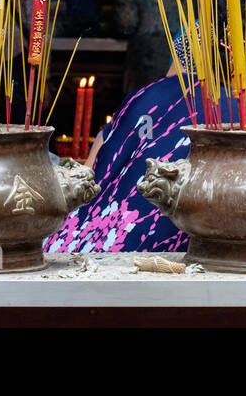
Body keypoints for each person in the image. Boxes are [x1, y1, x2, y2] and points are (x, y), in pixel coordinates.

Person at [45, 33, 235, 254]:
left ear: (175, 54)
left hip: (85, 243)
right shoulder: (243, 111)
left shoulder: (141, 97)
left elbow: (86, 174)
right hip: (174, 251)